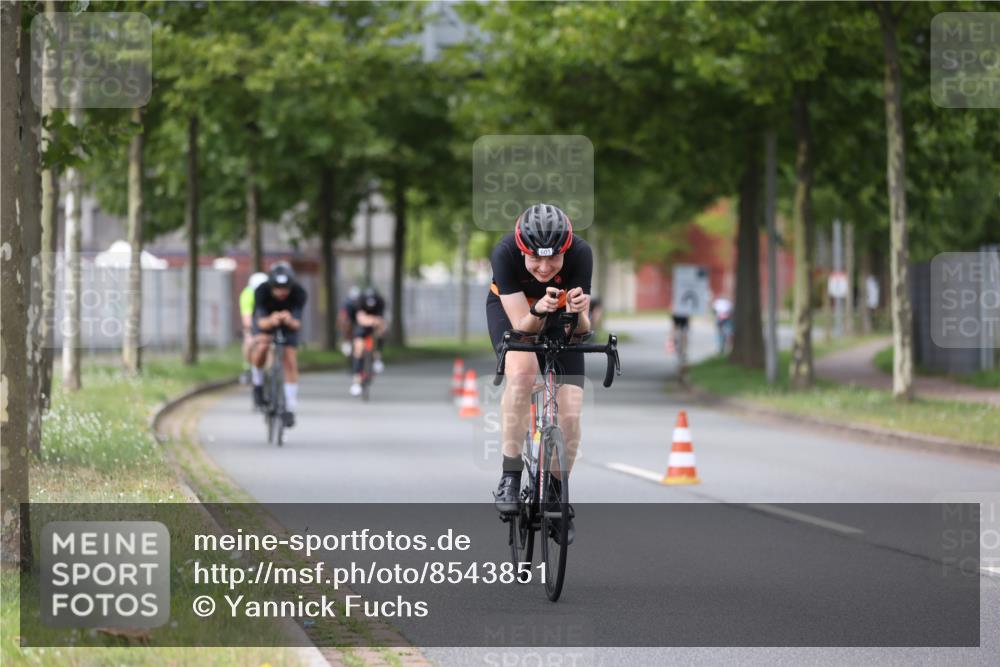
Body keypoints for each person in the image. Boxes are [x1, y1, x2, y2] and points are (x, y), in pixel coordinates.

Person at [488, 203, 591, 543]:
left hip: (560, 317)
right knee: (522, 373)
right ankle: (510, 476)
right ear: (521, 250)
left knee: (571, 410)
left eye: (554, 259)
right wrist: (538, 309)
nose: (545, 268)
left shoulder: (581, 253)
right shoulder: (504, 252)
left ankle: (557, 495)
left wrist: (580, 313)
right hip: (515, 311)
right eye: (535, 259)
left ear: (566, 250)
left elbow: (581, 330)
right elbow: (521, 326)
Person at [249, 263, 307, 427]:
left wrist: (288, 319)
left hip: (287, 326)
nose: (282, 292)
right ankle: (258, 384)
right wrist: (271, 320)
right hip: (266, 322)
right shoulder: (261, 291)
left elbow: (297, 323)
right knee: (262, 346)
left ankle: (289, 407)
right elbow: (260, 321)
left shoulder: (299, 292)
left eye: (285, 288)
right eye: (278, 288)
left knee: (290, 359)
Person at [349, 286, 387, 396]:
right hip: (362, 326)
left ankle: (377, 356)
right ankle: (356, 381)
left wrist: (374, 321)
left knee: (381, 331)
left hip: (374, 325)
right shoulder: (360, 301)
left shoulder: (380, 301)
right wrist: (370, 320)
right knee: (358, 349)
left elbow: (380, 320)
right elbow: (360, 319)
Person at [239, 272, 269, 384]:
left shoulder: (270, 293)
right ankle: (248, 366)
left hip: (267, 320)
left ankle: (270, 369)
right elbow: (247, 317)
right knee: (249, 340)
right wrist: (252, 331)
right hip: (254, 320)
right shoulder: (247, 294)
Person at [338, 285, 362, 357]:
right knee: (346, 325)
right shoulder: (347, 303)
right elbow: (343, 315)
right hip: (349, 319)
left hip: (358, 319)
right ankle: (347, 342)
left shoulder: (361, 303)